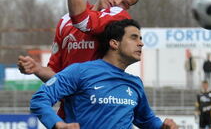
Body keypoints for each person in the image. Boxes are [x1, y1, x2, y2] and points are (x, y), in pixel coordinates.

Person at [18, 0, 141, 119]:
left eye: (125, 4)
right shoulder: (65, 22)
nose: (118, 2)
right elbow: (58, 76)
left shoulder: (119, 18)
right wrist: (37, 68)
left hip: (100, 115)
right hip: (69, 116)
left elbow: (80, 19)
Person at [30, 19, 178, 129]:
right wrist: (57, 124)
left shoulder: (135, 83)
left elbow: (146, 120)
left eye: (141, 39)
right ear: (114, 43)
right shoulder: (80, 72)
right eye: (134, 37)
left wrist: (162, 126)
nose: (141, 43)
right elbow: (40, 98)